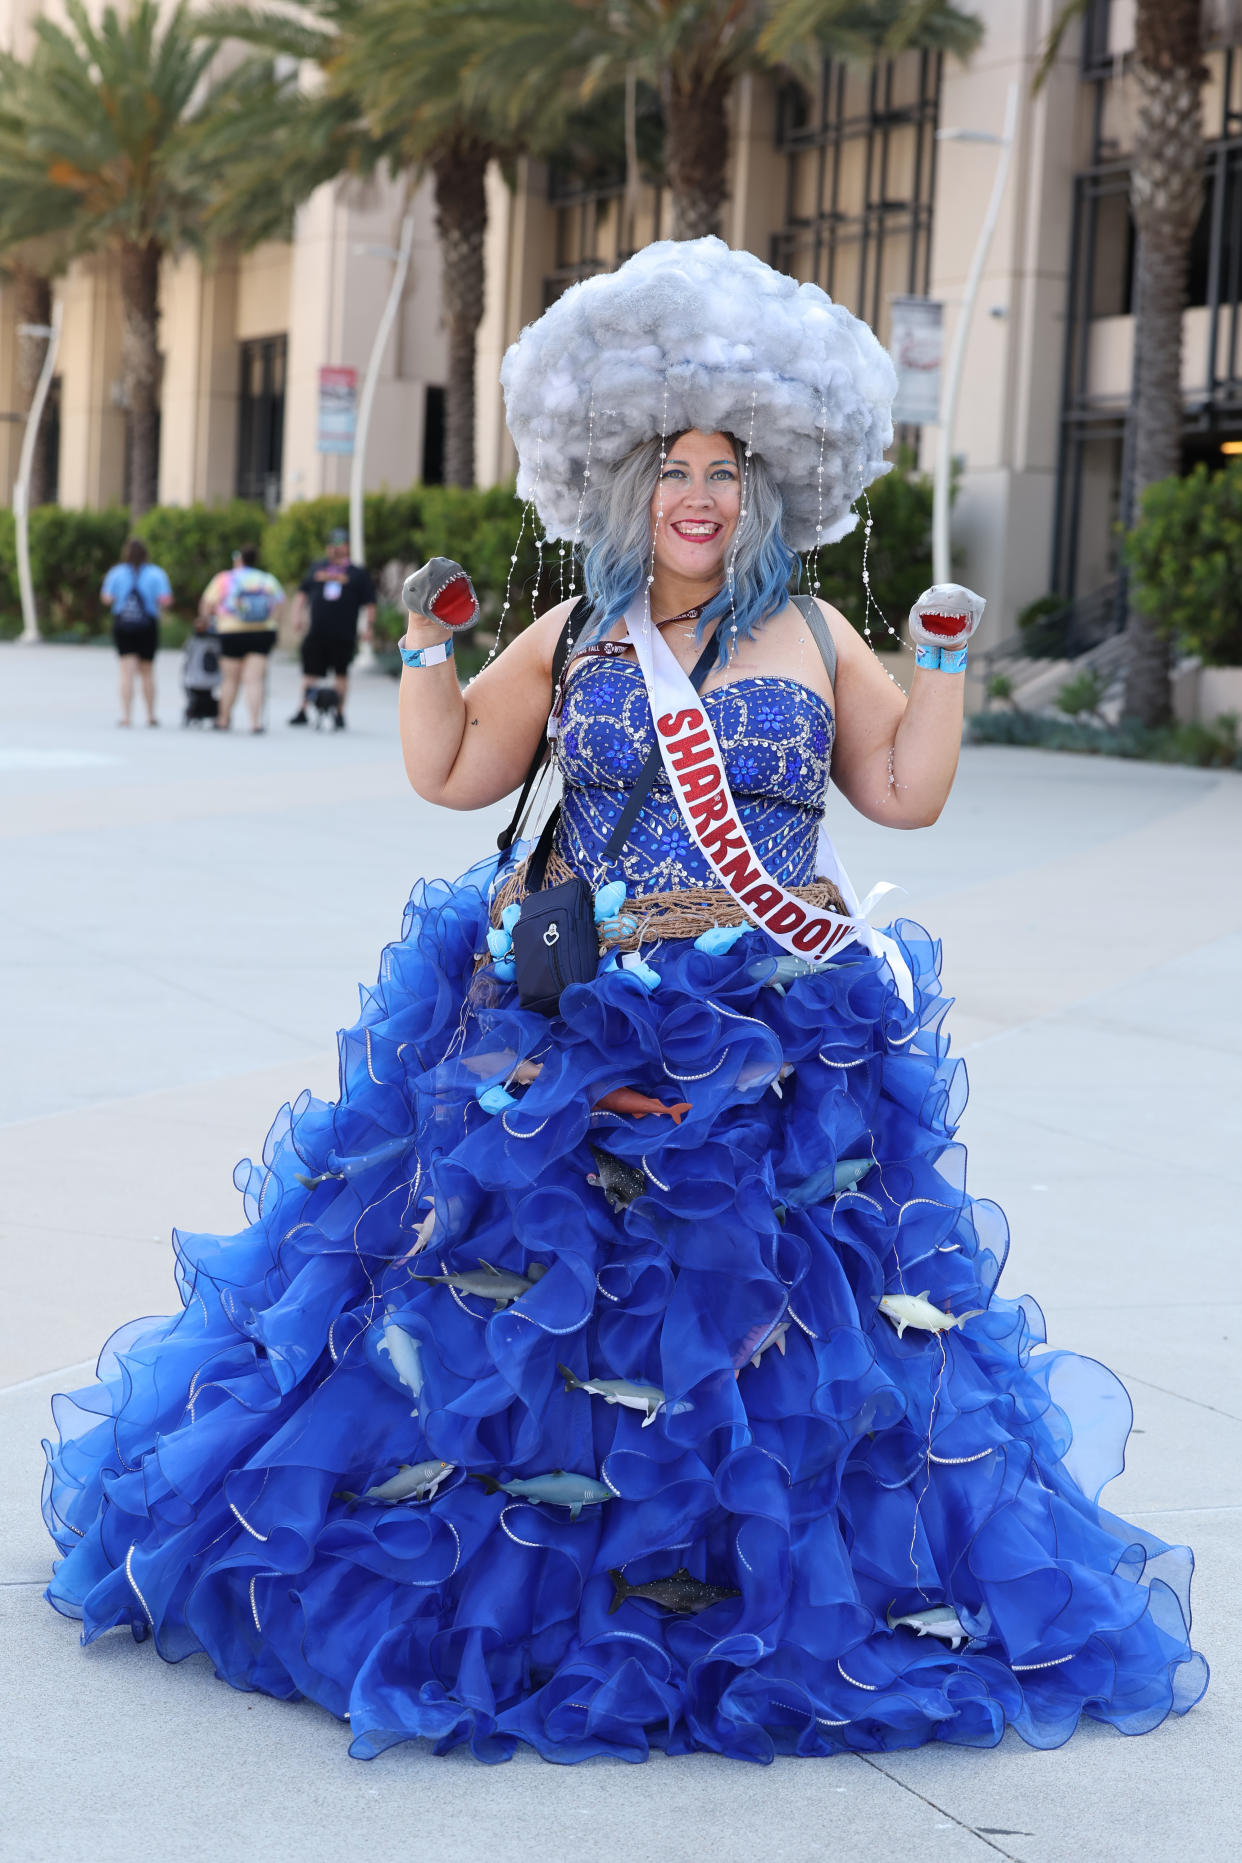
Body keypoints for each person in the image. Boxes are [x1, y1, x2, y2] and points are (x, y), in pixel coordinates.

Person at [44, 239, 1205, 1765]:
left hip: (771, 1038)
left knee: (760, 1333)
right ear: (625, 484)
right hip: (573, 1021)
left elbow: (903, 795)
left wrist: (936, 659)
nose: (700, 492)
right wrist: (424, 640)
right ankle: (529, 1600)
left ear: (770, 483)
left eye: (727, 465)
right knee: (532, 1315)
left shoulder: (813, 634)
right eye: (673, 465)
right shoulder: (582, 634)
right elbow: (451, 768)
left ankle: (731, 1596)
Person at [288, 527, 376, 729]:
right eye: (333, 545)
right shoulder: (317, 568)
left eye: (341, 545)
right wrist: (297, 615)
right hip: (317, 630)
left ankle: (339, 712)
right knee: (310, 672)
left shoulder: (357, 573)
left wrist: (368, 627)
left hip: (343, 632)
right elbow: (302, 593)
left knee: (341, 673)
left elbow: (369, 603)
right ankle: (303, 709)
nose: (336, 549)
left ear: (347, 547)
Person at [198, 546, 285, 733]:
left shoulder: (225, 578)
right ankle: (255, 723)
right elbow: (279, 604)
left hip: (231, 631)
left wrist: (207, 621)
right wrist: (273, 625)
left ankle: (223, 719)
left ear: (237, 559)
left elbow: (207, 603)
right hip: (262, 632)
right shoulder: (266, 579)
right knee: (254, 680)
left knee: (230, 679)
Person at [100, 538, 173, 727]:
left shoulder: (116, 573)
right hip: (147, 625)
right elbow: (166, 600)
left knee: (126, 671)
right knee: (147, 671)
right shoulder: (156, 573)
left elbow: (107, 598)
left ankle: (126, 716)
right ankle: (150, 715)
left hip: (123, 625)